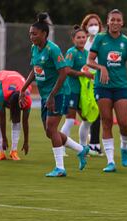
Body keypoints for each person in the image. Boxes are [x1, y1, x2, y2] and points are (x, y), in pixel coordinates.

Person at [19, 12, 89, 177]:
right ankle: (81, 149)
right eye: (30, 33)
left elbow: (64, 72)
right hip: (46, 95)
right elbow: (35, 70)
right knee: (50, 132)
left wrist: (52, 95)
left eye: (34, 34)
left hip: (58, 93)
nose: (31, 36)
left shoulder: (53, 49)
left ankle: (60, 168)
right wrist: (23, 88)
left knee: (52, 128)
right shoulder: (34, 48)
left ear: (44, 34)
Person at [87, 9, 127, 172]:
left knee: (124, 124)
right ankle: (110, 161)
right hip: (102, 86)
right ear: (108, 22)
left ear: (122, 23)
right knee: (107, 122)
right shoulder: (100, 38)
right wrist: (100, 67)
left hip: (121, 87)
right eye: (113, 20)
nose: (116, 23)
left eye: (119, 20)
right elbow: (89, 60)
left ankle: (124, 146)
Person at [60, 25, 95, 154]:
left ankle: (83, 147)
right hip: (71, 90)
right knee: (69, 120)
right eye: (78, 37)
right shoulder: (71, 52)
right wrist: (83, 74)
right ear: (73, 39)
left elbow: (89, 70)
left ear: (86, 38)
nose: (81, 39)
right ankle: (61, 148)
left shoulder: (87, 54)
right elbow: (67, 70)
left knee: (87, 120)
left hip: (83, 93)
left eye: (83, 37)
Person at [0, 70, 31, 161]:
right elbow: (2, 118)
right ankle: (1, 152)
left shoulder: (26, 98)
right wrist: (4, 139)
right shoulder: (2, 96)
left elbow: (25, 121)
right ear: (8, 103)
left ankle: (14, 151)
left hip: (15, 81)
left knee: (16, 119)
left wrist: (26, 142)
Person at [80, 13, 104, 156]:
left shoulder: (103, 41)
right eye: (91, 24)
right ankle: (86, 143)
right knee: (86, 113)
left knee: (97, 111)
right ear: (85, 27)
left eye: (96, 24)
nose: (94, 27)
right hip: (85, 80)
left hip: (98, 79)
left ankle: (94, 143)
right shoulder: (84, 42)